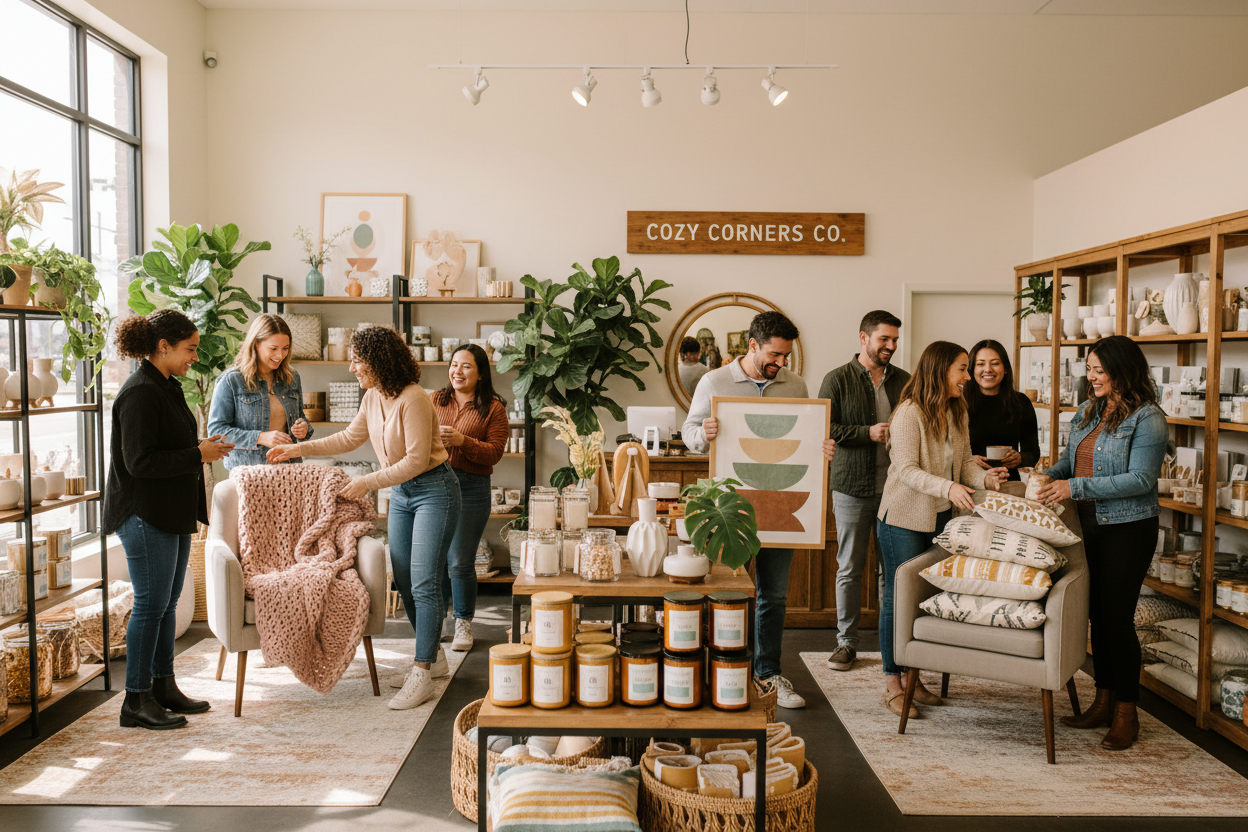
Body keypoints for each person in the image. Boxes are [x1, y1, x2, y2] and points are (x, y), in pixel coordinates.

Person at [268, 326, 461, 711]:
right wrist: (299, 448)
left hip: (435, 490)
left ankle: (422, 671)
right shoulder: (373, 397)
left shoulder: (414, 399)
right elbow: (348, 438)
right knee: (403, 580)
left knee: (423, 583)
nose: (353, 367)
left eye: (359, 360)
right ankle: (435, 658)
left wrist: (366, 483)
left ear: (378, 361)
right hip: (403, 493)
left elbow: (416, 460)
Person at [682, 311, 836, 709]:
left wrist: (821, 449)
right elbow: (690, 433)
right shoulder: (713, 381)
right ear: (752, 345)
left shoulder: (796, 385)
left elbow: (804, 438)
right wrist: (704, 434)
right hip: (731, 510)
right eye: (774, 354)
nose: (781, 363)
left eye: (785, 356)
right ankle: (724, 671)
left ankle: (768, 674)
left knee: (775, 596)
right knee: (728, 594)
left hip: (782, 509)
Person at [103, 309, 234, 730]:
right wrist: (198, 453)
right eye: (190, 349)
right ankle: (135, 700)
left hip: (168, 511)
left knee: (164, 606)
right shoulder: (139, 392)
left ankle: (163, 686)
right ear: (164, 347)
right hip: (144, 514)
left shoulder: (166, 386)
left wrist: (201, 445)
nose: (194, 356)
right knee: (151, 606)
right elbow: (139, 462)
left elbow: (170, 444)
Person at [1036, 335, 1166, 751]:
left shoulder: (1149, 419)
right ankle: (1104, 701)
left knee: (1116, 619)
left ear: (1121, 369)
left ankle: (1128, 712)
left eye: (1098, 370)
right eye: (1088, 370)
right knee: (1097, 617)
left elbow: (1141, 480)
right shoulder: (1088, 410)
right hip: (1086, 527)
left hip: (1128, 529)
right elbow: (1071, 460)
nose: (1090, 377)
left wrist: (1072, 486)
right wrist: (1045, 475)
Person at [876, 340, 1007, 718]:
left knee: (922, 599)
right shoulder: (908, 414)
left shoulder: (956, 409)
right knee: (898, 600)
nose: (968, 376)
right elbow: (906, 469)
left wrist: (986, 481)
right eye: (962, 369)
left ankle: (913, 679)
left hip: (937, 518)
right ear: (940, 370)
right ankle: (892, 683)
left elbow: (964, 463)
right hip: (901, 519)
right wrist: (948, 487)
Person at [817, 310, 909, 672]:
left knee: (893, 571)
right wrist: (866, 433)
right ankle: (846, 643)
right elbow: (825, 427)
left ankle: (894, 645)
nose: (890, 346)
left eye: (894, 340)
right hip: (851, 488)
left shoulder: (905, 380)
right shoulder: (836, 379)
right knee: (850, 567)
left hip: (896, 490)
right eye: (884, 339)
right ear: (863, 338)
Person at [431, 344, 509, 653]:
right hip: (435, 484)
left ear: (479, 374)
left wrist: (464, 441)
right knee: (435, 560)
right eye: (453, 365)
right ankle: (436, 621)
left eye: (465, 366)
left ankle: (463, 622)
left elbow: (495, 452)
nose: (457, 371)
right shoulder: (435, 399)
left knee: (460, 561)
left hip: (472, 486)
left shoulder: (493, 408)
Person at [207, 313, 312, 470]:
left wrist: (304, 428)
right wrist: (261, 437)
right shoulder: (232, 380)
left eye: (285, 348)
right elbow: (216, 433)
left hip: (289, 471)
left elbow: (299, 418)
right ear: (255, 344)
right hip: (247, 474)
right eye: (273, 348)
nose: (280, 355)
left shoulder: (292, 377)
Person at [965, 339, 1039, 481]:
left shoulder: (1021, 402)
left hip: (1008, 483)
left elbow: (1033, 453)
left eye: (995, 363)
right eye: (980, 364)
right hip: (971, 482)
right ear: (972, 369)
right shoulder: (959, 404)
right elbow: (946, 453)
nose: (988, 369)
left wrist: (1020, 458)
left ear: (1005, 368)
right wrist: (968, 461)